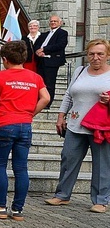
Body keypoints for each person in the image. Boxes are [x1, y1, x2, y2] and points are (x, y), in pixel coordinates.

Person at [0, 41, 50, 221]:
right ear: (24, 58)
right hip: (25, 125)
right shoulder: (35, 77)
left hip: (4, 124)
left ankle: (0, 206)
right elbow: (46, 98)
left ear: (4, 59)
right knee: (21, 167)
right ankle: (17, 210)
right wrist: (29, 113)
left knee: (0, 166)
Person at [45, 39, 110, 213]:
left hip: (101, 127)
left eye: (100, 54)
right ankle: (62, 195)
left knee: (102, 164)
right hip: (75, 123)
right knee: (68, 158)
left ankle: (100, 200)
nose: (95, 57)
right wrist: (61, 116)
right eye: (91, 54)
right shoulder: (80, 71)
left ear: (107, 55)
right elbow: (68, 95)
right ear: (87, 55)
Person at [34, 15, 68, 108]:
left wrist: (44, 49)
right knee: (40, 83)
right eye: (51, 21)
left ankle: (47, 103)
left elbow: (60, 45)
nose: (53, 23)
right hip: (41, 61)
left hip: (52, 62)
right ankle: (38, 101)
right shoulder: (44, 34)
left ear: (60, 23)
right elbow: (36, 45)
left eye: (55, 21)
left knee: (49, 84)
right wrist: (38, 51)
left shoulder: (62, 33)